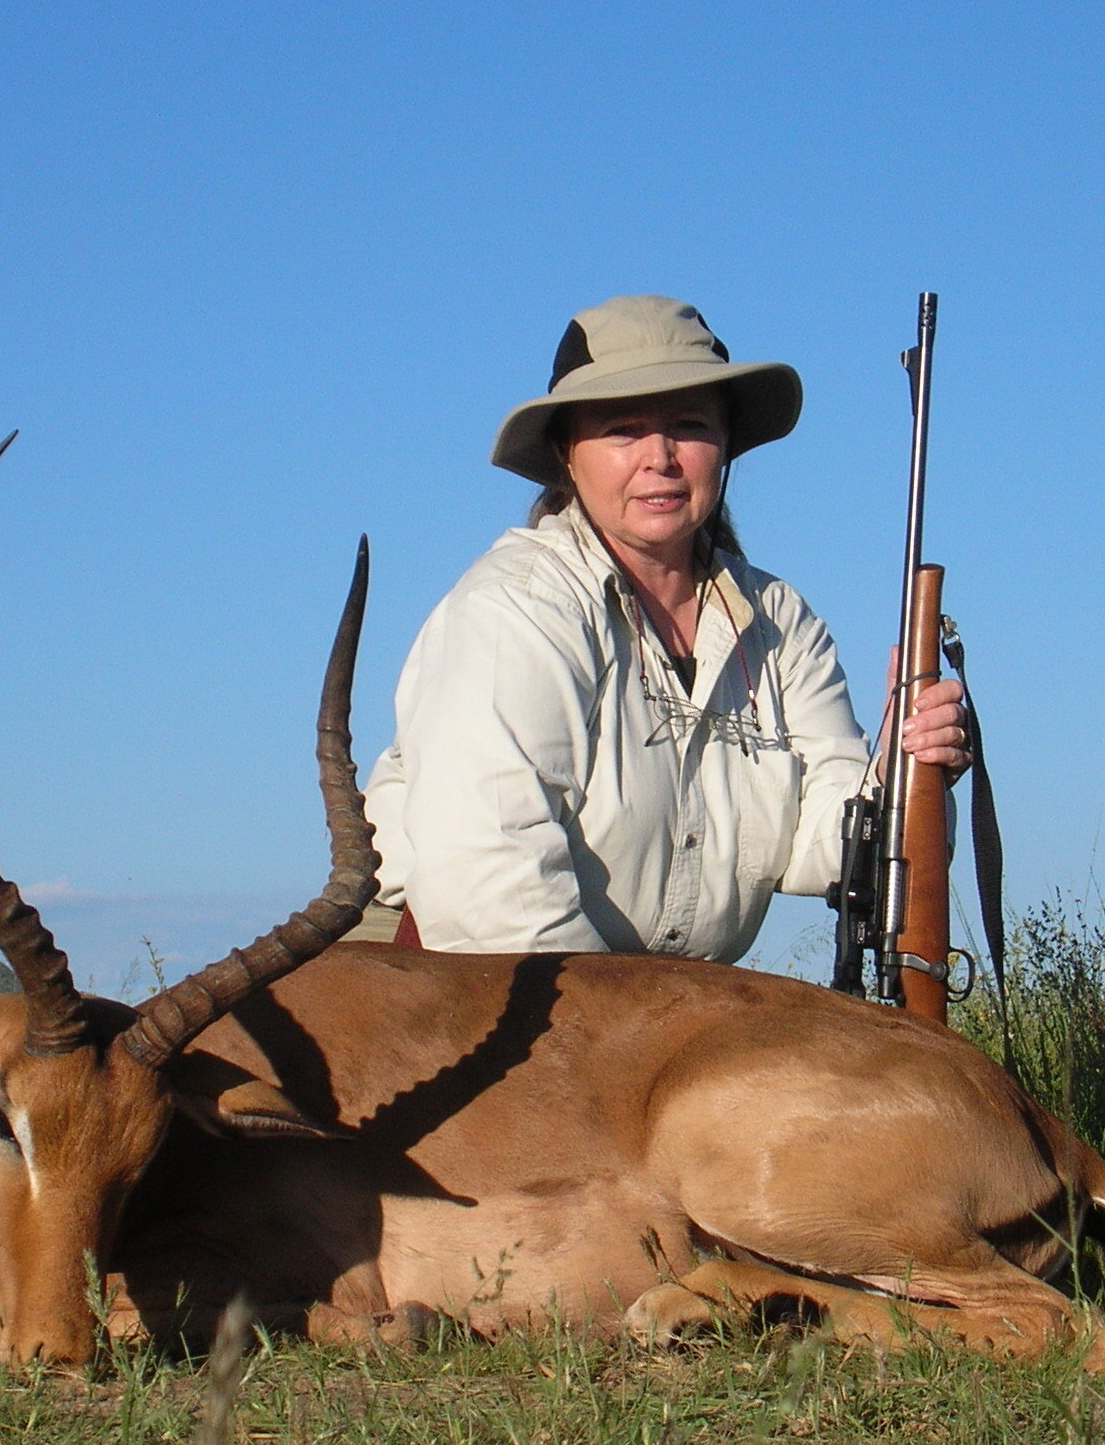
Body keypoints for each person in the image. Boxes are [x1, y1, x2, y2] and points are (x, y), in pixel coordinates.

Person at [360, 294, 967, 959]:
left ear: (725, 444)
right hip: (444, 984)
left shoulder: (779, 622)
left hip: (654, 1010)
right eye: (622, 429)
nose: (661, 457)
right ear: (566, 452)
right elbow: (490, 892)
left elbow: (825, 851)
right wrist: (632, 1048)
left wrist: (908, 770)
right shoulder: (515, 608)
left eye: (688, 425)